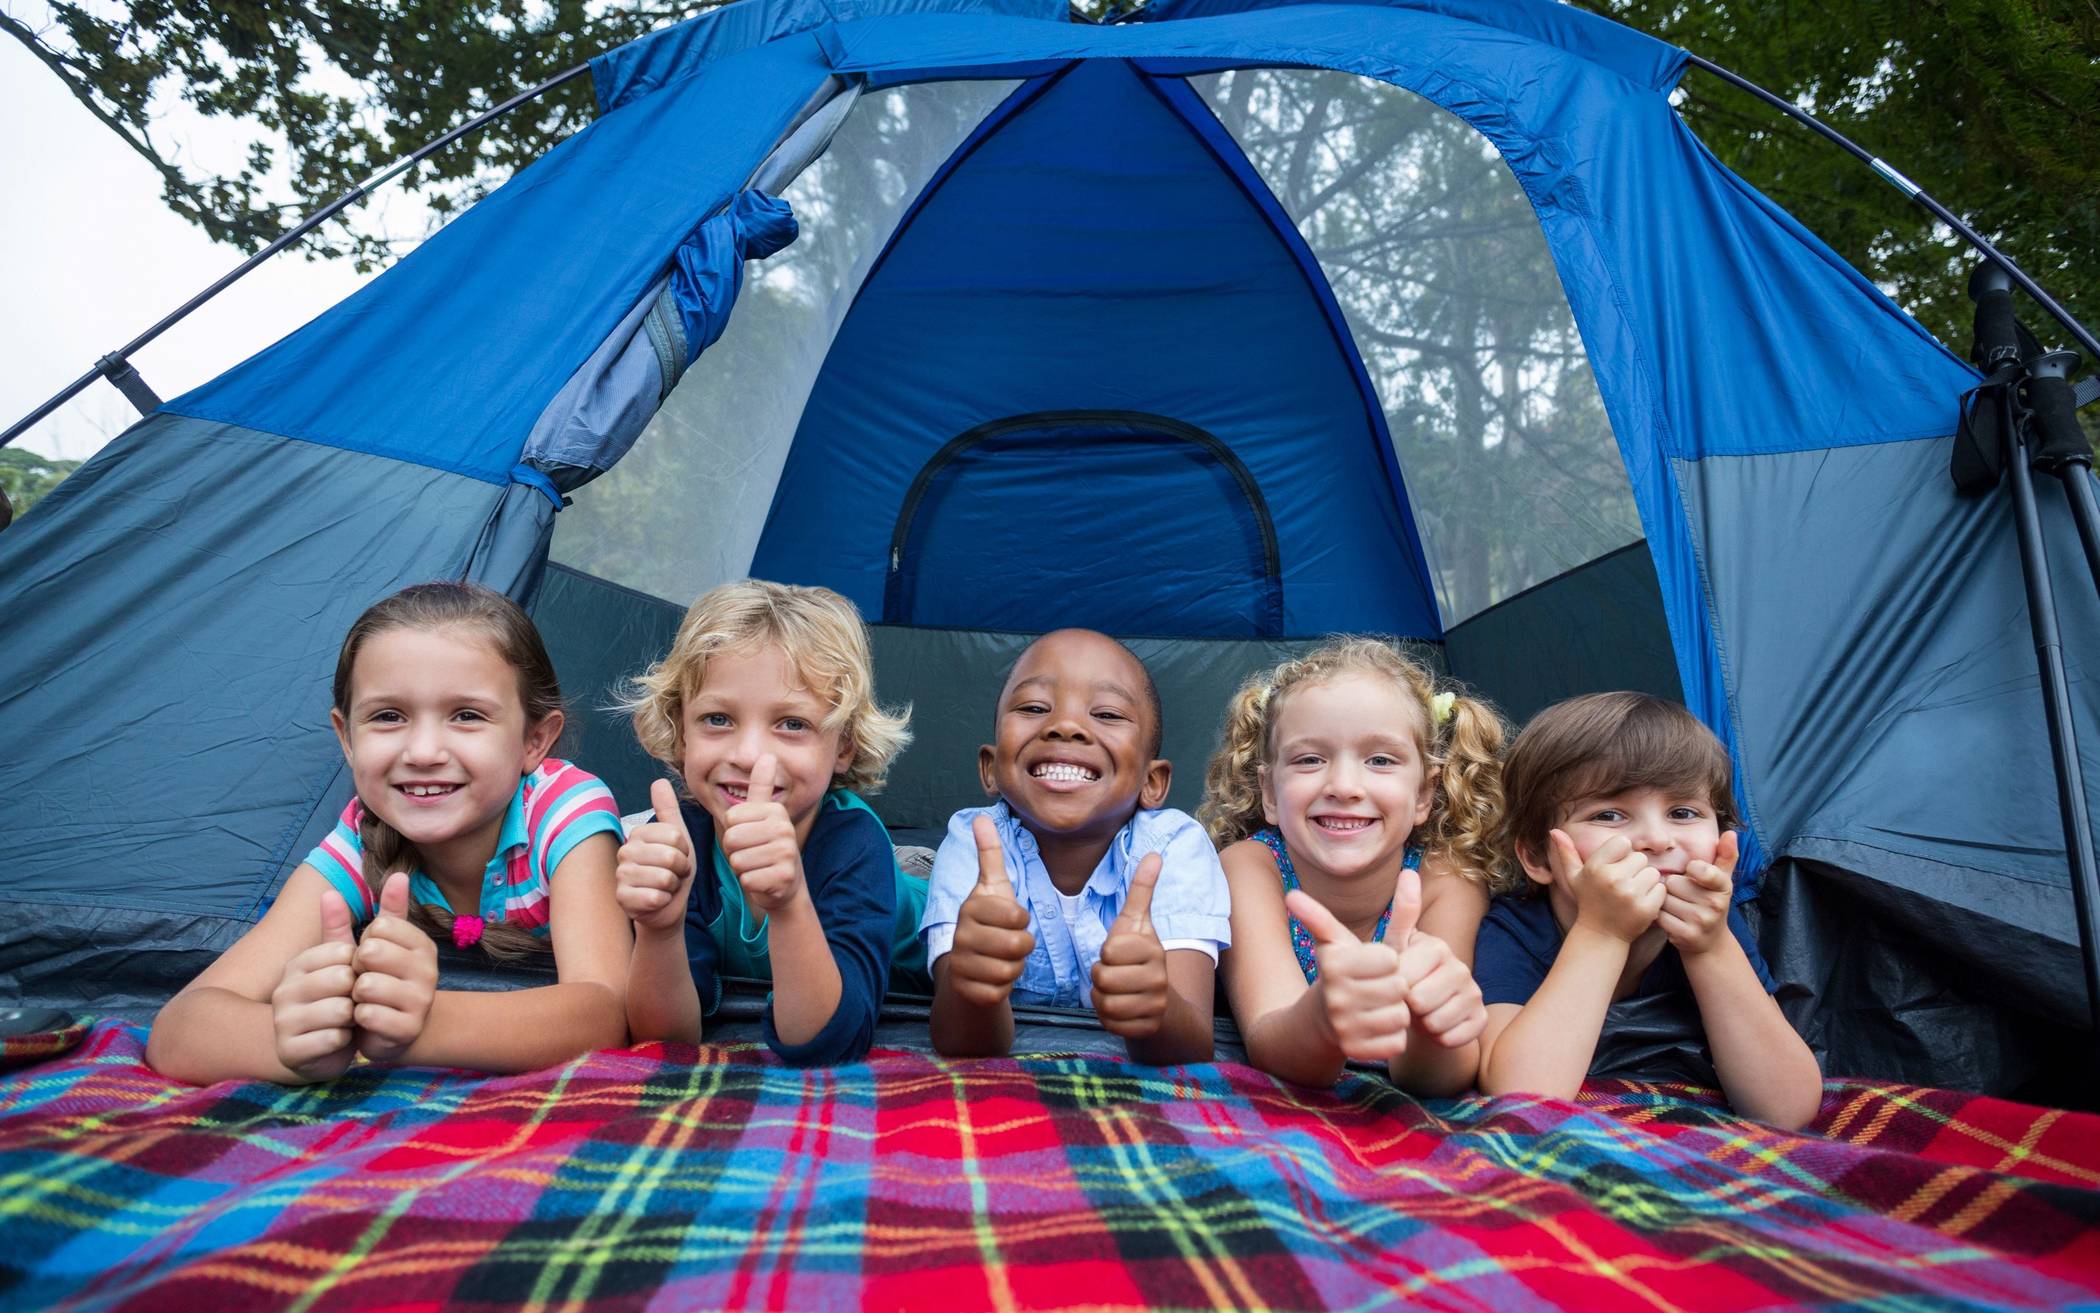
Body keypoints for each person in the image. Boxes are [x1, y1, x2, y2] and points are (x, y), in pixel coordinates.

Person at [147, 581, 630, 1084]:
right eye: (388, 716)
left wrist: (412, 1028)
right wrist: (296, 1043)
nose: (422, 752)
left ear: (535, 740)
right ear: (347, 738)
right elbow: (179, 1029)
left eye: (466, 716)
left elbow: (606, 1013)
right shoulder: (361, 841)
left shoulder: (565, 812)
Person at [1474, 692, 1822, 1128]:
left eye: (1682, 812)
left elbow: (1786, 1110)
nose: (1657, 839)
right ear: (1538, 859)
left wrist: (1709, 949)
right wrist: (1602, 933)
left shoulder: (1710, 922)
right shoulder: (1513, 930)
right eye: (1609, 815)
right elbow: (1524, 1098)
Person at [615, 580, 917, 1066]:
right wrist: (658, 930)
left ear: (844, 746)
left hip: (917, 932)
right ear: (680, 729)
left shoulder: (854, 845)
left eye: (792, 724)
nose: (749, 755)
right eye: (717, 719)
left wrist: (790, 902)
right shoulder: (679, 838)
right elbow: (665, 1037)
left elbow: (826, 1042)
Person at [1201, 637, 1505, 1096]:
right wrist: (1325, 1015)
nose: (1344, 786)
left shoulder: (1448, 881)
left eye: (1380, 760)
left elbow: (1440, 1079)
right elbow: (1271, 1044)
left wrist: (1430, 1025)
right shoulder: (1248, 867)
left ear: (1424, 792)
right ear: (1269, 793)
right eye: (1309, 759)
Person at [921, 629, 1228, 1063]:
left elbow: (1192, 1043)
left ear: (1152, 781)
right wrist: (973, 984)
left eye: (1106, 714)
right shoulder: (975, 841)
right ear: (990, 769)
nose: (1065, 726)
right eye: (1033, 708)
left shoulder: (1175, 849)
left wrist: (1153, 1003)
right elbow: (961, 1043)